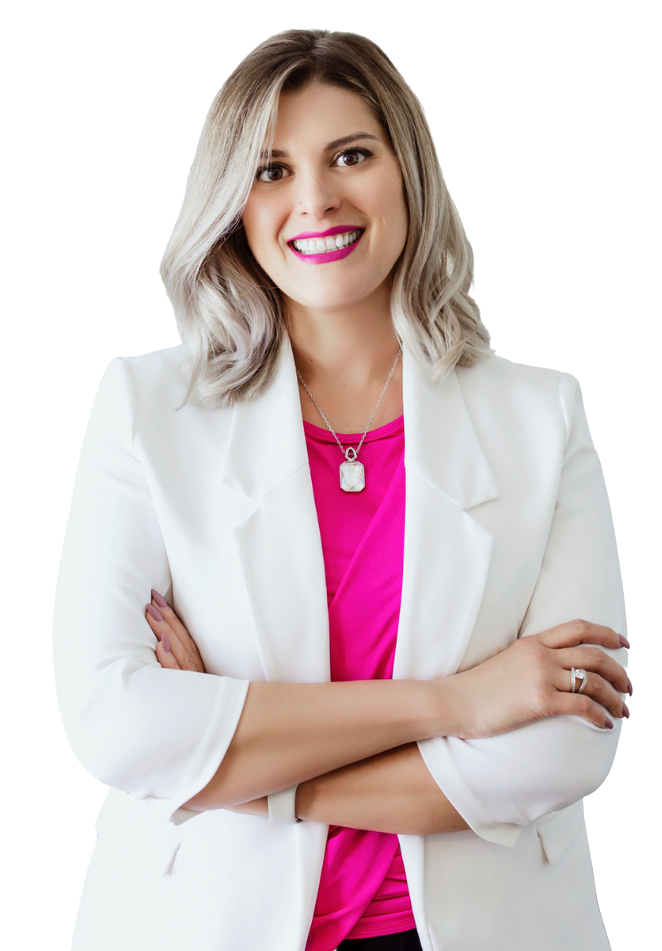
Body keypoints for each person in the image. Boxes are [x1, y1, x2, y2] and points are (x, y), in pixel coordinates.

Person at [51, 28, 631, 951]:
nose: (315, 197)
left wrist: (240, 767)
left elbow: (566, 744)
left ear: (407, 172)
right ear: (233, 205)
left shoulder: (541, 416)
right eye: (272, 170)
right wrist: (457, 702)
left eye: (351, 155)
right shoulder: (147, 410)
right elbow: (115, 724)